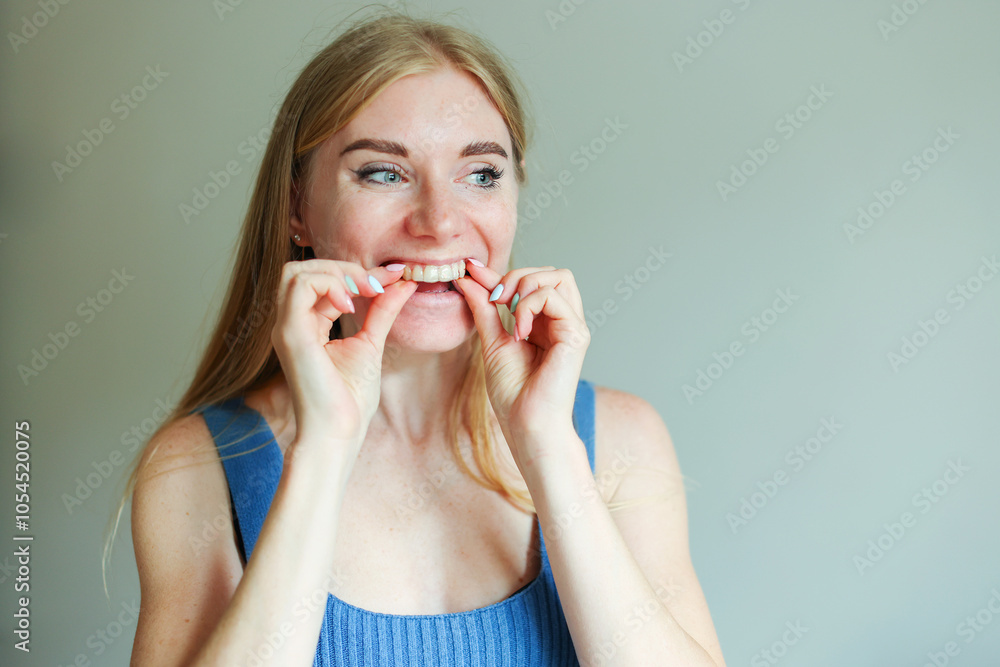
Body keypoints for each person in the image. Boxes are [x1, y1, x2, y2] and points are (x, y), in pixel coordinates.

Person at [122, 9, 726, 666]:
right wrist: (323, 447)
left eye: (481, 174)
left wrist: (548, 449)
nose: (439, 222)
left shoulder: (622, 442)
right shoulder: (195, 468)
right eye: (384, 173)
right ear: (298, 207)